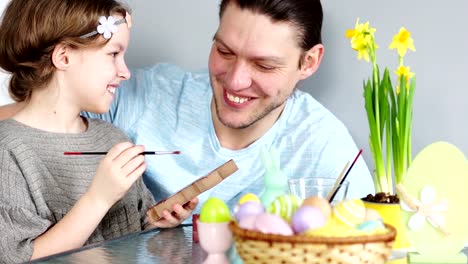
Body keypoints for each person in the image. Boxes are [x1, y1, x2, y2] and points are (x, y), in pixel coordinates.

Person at [0, 0, 374, 214]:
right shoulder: (144, 98)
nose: (236, 81)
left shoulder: (329, 154)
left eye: (263, 65)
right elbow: (35, 120)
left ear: (308, 63)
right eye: (224, 51)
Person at [0, 0, 195, 262]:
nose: (125, 72)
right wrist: (98, 199)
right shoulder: (8, 150)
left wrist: (158, 223)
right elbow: (18, 258)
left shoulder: (113, 138)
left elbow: (134, 238)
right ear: (64, 56)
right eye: (114, 54)